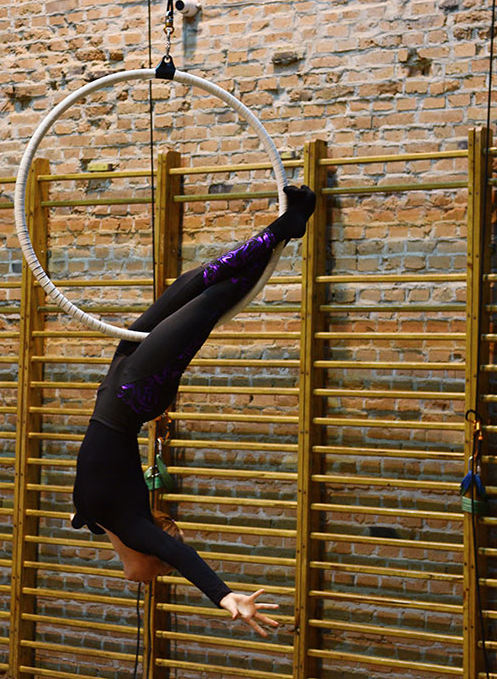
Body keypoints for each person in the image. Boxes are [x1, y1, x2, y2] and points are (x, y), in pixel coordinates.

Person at [70, 184, 316, 636]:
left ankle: (288, 226)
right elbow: (182, 557)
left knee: (194, 283)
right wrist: (225, 596)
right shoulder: (134, 526)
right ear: (152, 554)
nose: (149, 582)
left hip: (120, 378)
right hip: (134, 393)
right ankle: (289, 224)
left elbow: (84, 514)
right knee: (212, 294)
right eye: (159, 573)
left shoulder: (94, 519)